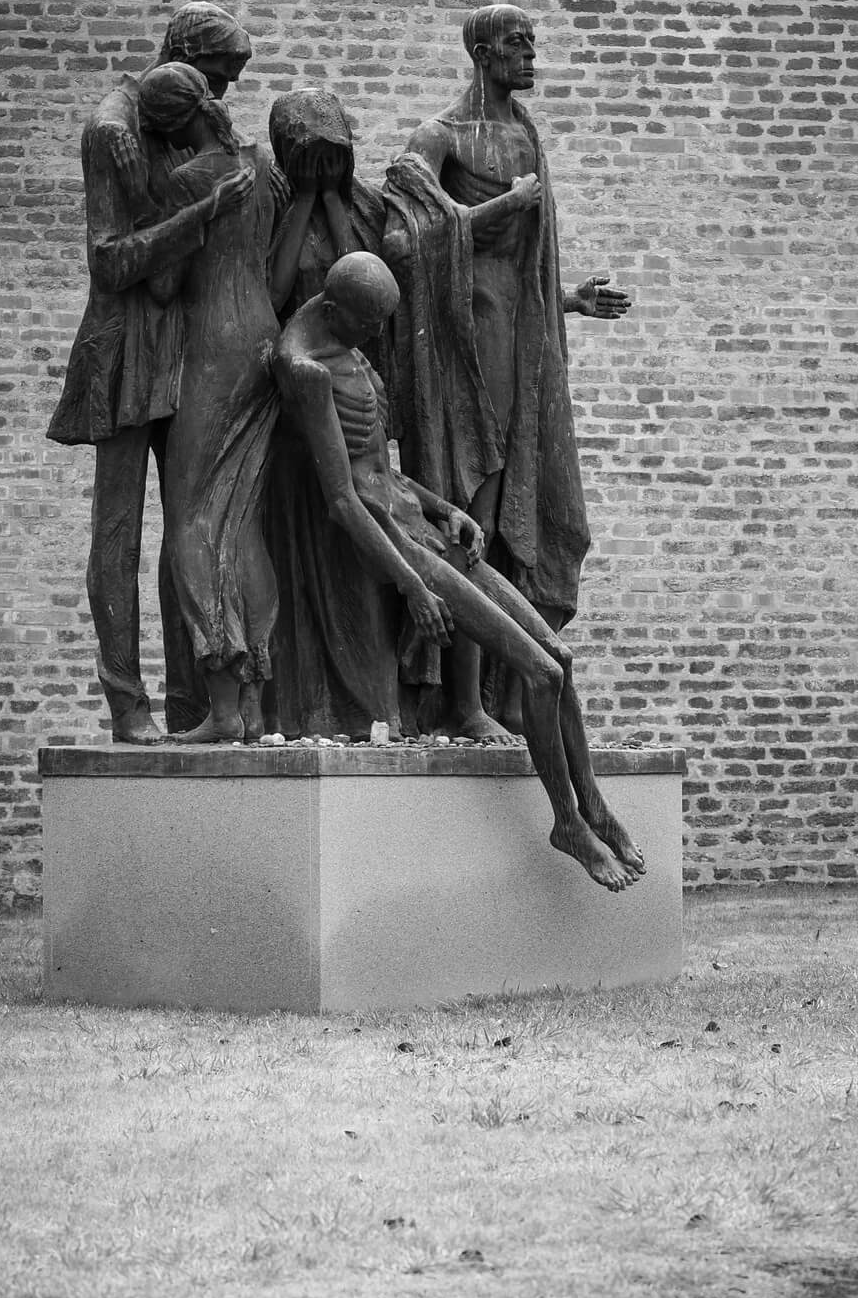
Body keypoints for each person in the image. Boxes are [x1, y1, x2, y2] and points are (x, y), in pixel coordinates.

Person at [273, 253, 645, 891]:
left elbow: (383, 469)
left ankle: (595, 803)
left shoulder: (348, 336)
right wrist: (412, 585)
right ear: (338, 311)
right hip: (400, 547)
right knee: (539, 672)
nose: (378, 336)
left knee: (561, 658)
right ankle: (567, 823)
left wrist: (447, 509)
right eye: (369, 324)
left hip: (423, 523)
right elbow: (342, 499)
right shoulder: (305, 370)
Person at [383, 2, 630, 730]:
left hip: (518, 347)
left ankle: (492, 694)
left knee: (508, 514)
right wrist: (500, 211)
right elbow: (404, 240)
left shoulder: (526, 135)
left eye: (533, 44)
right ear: (484, 54)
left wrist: (571, 301)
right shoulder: (439, 137)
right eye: (518, 46)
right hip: (459, 355)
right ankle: (458, 703)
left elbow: (516, 279)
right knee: (469, 513)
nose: (531, 57)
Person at [47, 2, 261, 741]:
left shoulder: (183, 125)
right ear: (179, 55)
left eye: (228, 85)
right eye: (215, 78)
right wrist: (197, 218)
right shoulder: (115, 131)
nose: (220, 99)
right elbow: (109, 260)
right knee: (118, 529)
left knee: (194, 521)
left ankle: (195, 703)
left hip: (187, 343)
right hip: (125, 345)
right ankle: (127, 705)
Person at [262, 91, 428, 739]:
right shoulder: (279, 208)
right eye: (309, 157)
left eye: (333, 157)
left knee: (363, 575)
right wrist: (304, 199)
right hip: (300, 417)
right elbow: (277, 293)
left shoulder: (364, 210)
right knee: (307, 568)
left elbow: (366, 272)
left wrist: (333, 198)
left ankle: (372, 710)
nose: (323, 167)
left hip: (358, 395)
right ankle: (309, 711)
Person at [135, 63, 280, 744]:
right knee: (241, 518)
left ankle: (221, 709)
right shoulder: (265, 166)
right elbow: (275, 266)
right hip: (263, 341)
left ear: (167, 126)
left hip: (212, 348)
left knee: (193, 520)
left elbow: (162, 286)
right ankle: (251, 707)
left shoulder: (188, 182)